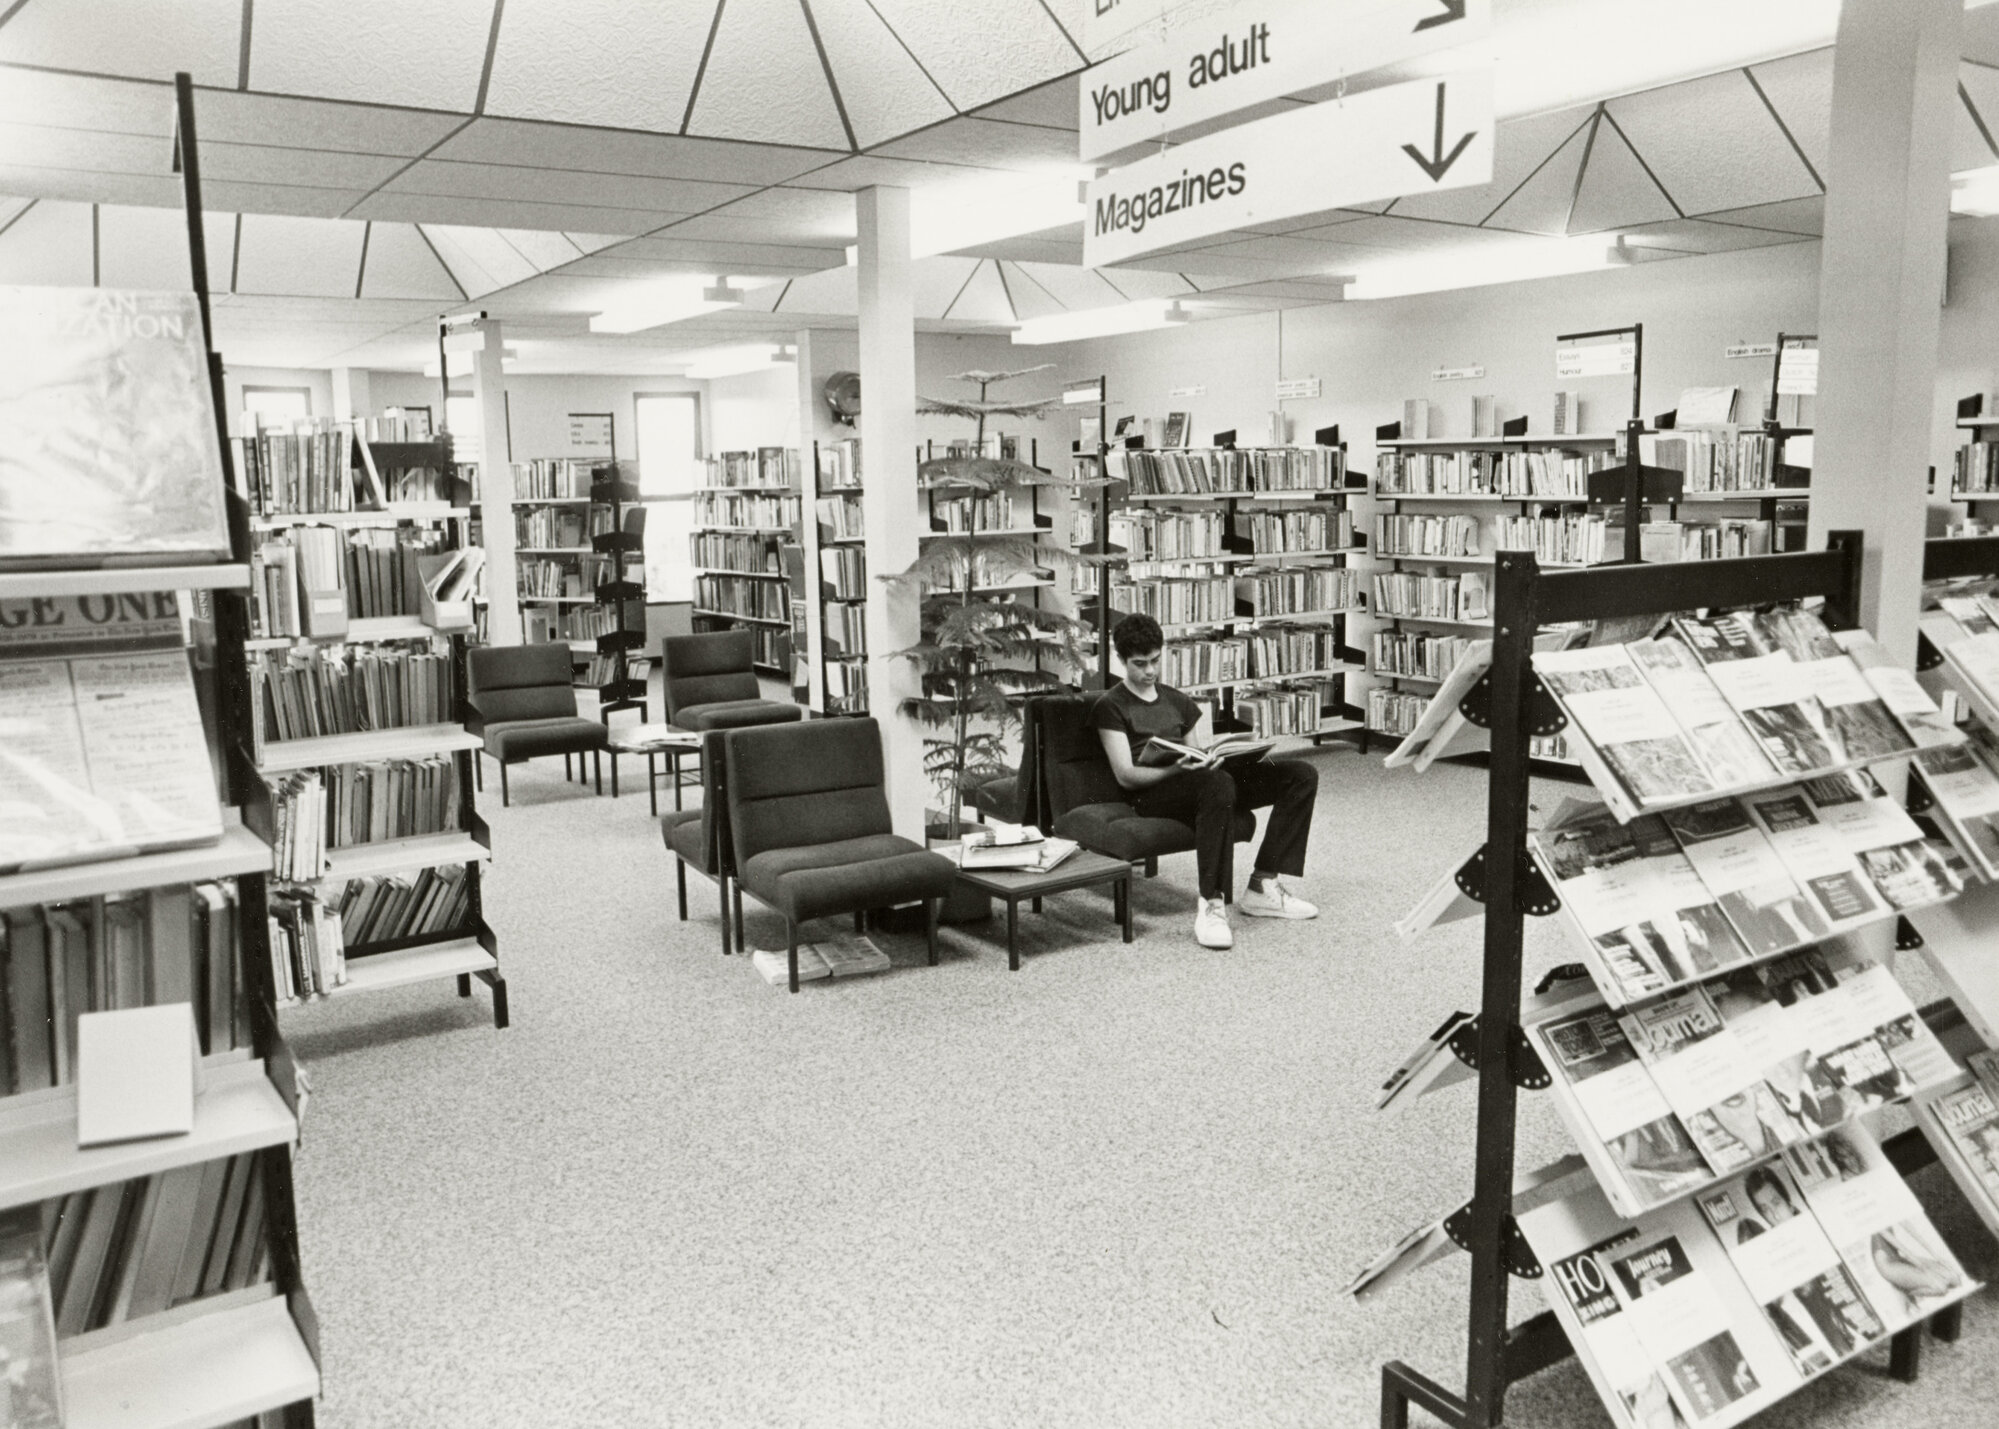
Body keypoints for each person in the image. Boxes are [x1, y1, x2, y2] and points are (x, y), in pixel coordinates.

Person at [1093, 612, 1319, 949]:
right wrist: (1175, 770)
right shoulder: (1110, 706)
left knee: (1300, 775)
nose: (1150, 671)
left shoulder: (1178, 701)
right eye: (1140, 664)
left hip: (1194, 785)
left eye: (1155, 660)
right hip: (1151, 794)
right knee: (1217, 785)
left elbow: (1195, 756)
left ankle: (1263, 885)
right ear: (1121, 660)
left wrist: (1213, 759)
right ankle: (1211, 905)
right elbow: (1126, 776)